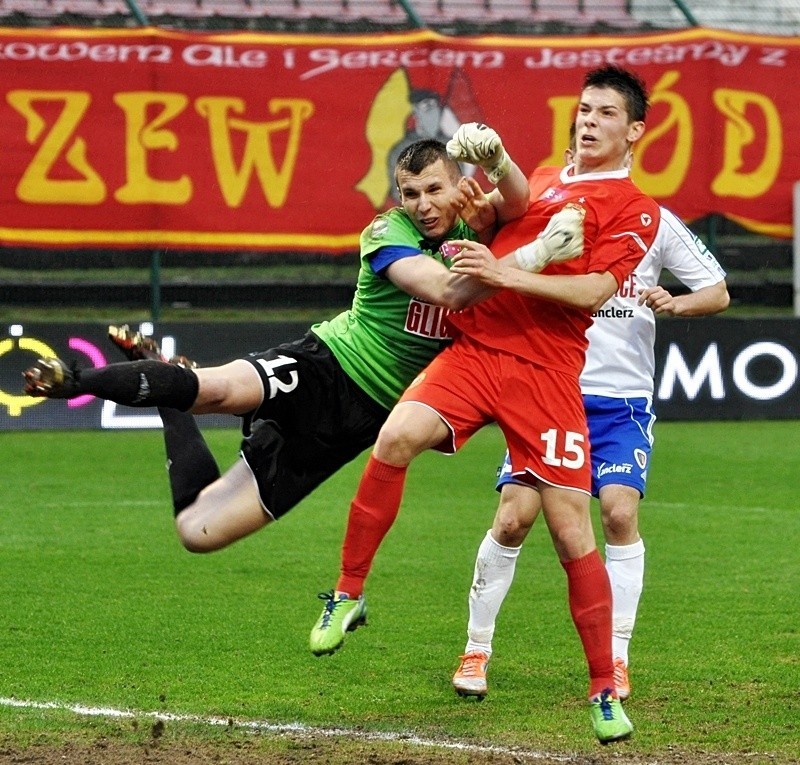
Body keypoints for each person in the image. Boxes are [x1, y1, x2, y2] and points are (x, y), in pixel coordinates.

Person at [309, 65, 662, 744]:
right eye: (584, 109)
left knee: (569, 530)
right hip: (479, 351)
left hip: (549, 373)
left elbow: (592, 291)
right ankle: (348, 593)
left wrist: (505, 269)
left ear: (634, 130)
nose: (588, 121)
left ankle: (602, 690)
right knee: (395, 437)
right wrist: (492, 168)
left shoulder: (636, 208)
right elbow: (512, 202)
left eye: (606, 113)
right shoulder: (550, 177)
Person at [23, 139, 534, 554]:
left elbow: (520, 203)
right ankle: (74, 378)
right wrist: (530, 260)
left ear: (457, 184)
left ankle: (167, 401)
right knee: (214, 390)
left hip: (361, 422)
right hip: (326, 365)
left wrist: (499, 162)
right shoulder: (386, 231)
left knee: (197, 533)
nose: (422, 205)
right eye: (409, 193)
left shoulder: (478, 225)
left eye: (433, 190)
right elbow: (445, 290)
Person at [451, 139, 730, 704]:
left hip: (622, 400)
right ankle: (476, 647)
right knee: (512, 521)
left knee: (620, 513)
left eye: (604, 118)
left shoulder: (650, 219)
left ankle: (617, 658)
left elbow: (718, 290)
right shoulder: (550, 207)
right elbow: (503, 244)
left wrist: (675, 302)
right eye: (583, 120)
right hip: (552, 388)